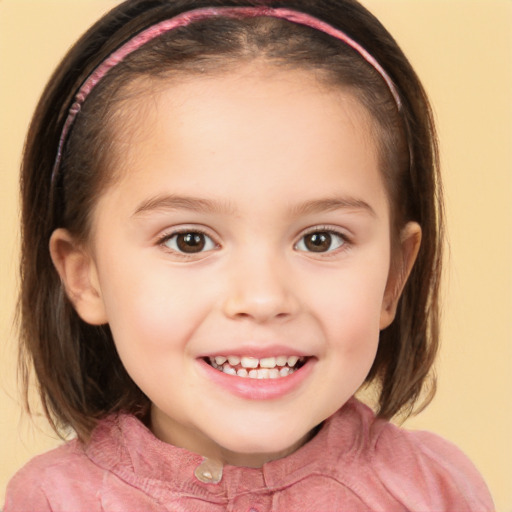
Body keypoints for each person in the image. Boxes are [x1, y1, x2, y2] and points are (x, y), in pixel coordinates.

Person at [3, 0, 494, 510]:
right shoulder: (52, 500)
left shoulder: (435, 489)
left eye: (320, 239)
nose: (262, 298)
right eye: (189, 240)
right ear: (86, 278)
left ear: (394, 276)